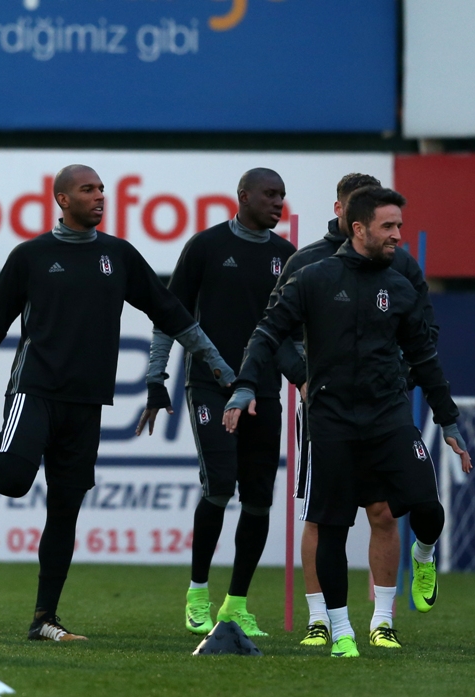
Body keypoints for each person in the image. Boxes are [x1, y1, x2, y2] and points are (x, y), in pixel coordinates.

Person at [0, 164, 235, 642]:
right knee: (12, 479)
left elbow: (173, 314)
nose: (99, 196)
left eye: (101, 189)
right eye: (87, 190)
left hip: (87, 403)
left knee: (64, 511)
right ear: (61, 199)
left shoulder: (118, 255)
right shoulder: (30, 256)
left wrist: (219, 366)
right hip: (34, 392)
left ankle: (44, 620)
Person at [223, 186, 471, 658]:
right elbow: (268, 333)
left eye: (400, 225)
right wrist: (245, 384)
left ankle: (424, 556)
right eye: (388, 227)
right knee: (330, 527)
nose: (397, 234)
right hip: (331, 421)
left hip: (389, 418)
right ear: (358, 229)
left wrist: (450, 422)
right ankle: (340, 631)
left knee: (426, 506)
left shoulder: (400, 286)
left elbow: (425, 355)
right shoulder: (314, 277)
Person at [275, 173, 438, 649]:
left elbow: (426, 334)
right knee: (321, 515)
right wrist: (302, 376)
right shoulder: (306, 263)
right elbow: (274, 329)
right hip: (326, 408)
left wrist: (395, 382)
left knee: (385, 511)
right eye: (355, 209)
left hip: (383, 409)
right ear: (344, 211)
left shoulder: (400, 265)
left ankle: (382, 619)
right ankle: (319, 618)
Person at [137, 168, 301, 638]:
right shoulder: (205, 247)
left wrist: (306, 379)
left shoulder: (286, 257)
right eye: (270, 195)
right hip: (210, 386)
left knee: (259, 497)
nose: (278, 203)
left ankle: (236, 605)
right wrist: (155, 378)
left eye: (283, 196)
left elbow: (293, 334)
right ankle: (196, 592)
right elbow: (168, 316)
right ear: (243, 196)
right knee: (220, 485)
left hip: (264, 389)